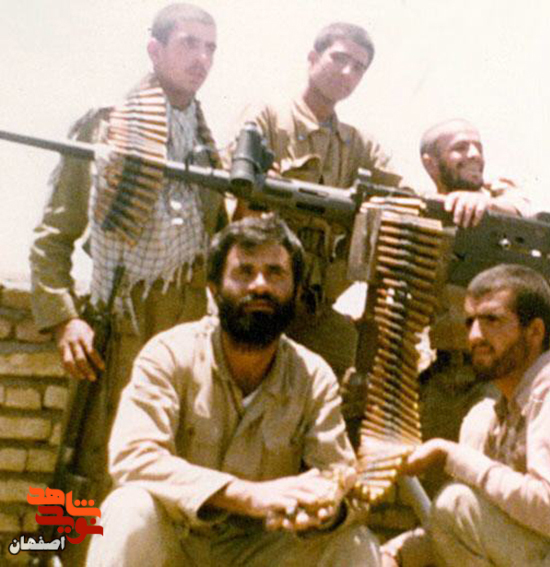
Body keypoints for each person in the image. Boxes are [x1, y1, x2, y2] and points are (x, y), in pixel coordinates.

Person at [28, 0, 225, 537]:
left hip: (187, 328)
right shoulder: (108, 127)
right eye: (189, 44)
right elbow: (53, 235)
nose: (202, 59)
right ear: (155, 50)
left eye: (210, 48)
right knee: (93, 466)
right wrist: (64, 320)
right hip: (120, 323)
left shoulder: (209, 145)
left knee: (170, 469)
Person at [85, 215, 380, 567]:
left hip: (262, 551)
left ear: (297, 292)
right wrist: (247, 495)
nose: (260, 286)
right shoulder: (169, 354)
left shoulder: (312, 376)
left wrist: (326, 508)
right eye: (245, 272)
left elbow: (340, 479)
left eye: (275, 273)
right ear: (214, 289)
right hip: (178, 541)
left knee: (355, 544)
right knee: (128, 509)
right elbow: (134, 459)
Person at [382, 264, 550, 567]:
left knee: (457, 504)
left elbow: (548, 511)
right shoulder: (499, 411)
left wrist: (450, 455)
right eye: (470, 322)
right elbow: (488, 523)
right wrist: (397, 553)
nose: (475, 336)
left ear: (535, 332)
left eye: (492, 320)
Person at [230, 22, 401, 378]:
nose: (347, 72)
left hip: (313, 304)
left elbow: (407, 194)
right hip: (257, 286)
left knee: (353, 370)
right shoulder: (267, 117)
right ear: (312, 58)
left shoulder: (358, 144)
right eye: (339, 58)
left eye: (359, 67)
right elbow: (234, 196)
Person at [416, 118, 535, 493]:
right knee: (431, 486)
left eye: (478, 147)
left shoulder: (501, 201)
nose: (474, 155)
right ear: (431, 163)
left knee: (487, 484)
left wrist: (487, 203)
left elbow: (525, 208)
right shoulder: (421, 211)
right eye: (460, 148)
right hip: (443, 375)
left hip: (494, 376)